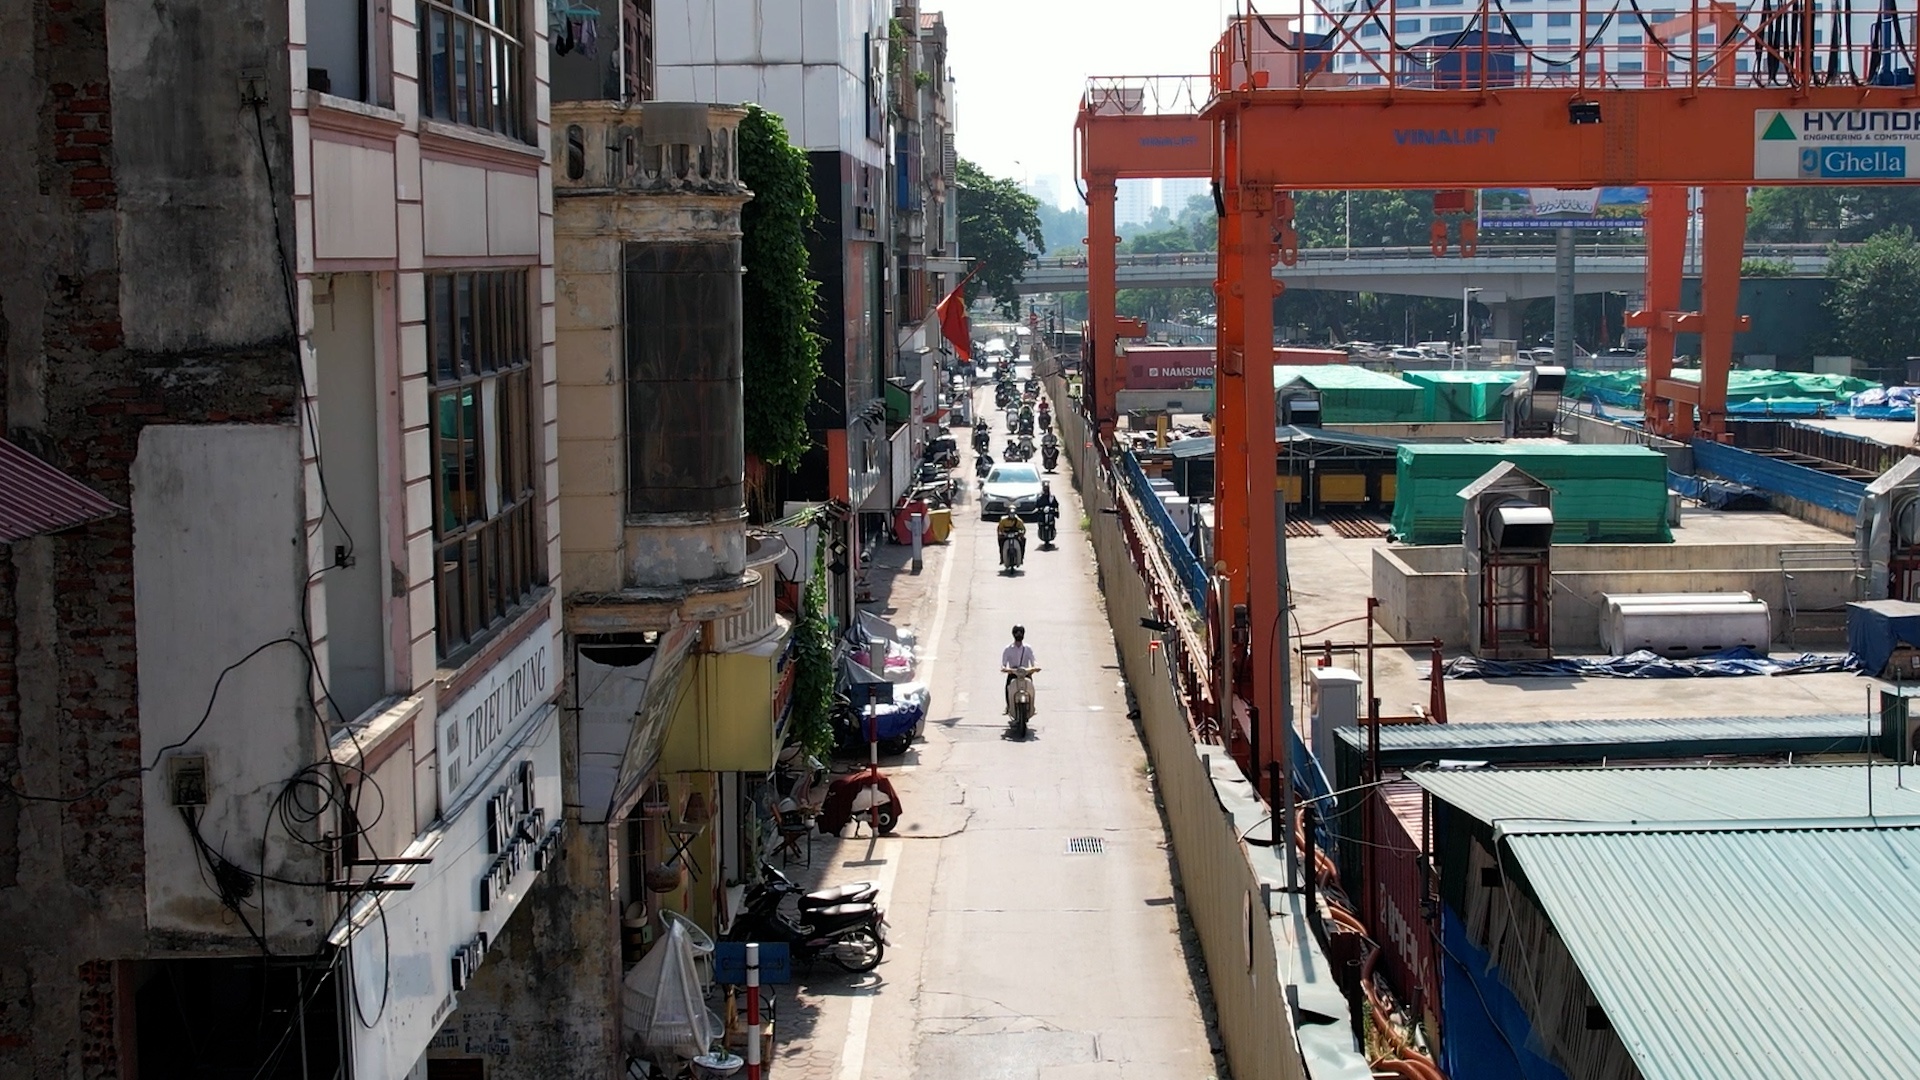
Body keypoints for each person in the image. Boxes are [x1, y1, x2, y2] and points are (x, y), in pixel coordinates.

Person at [1001, 624, 1037, 714]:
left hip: (1025, 672)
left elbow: (1034, 661)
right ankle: (1009, 706)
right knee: (1009, 687)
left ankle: (1032, 706)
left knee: (1030, 688)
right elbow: (1003, 664)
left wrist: (1035, 668)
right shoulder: (1008, 649)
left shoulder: (1027, 648)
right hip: (1013, 673)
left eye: (1021, 632)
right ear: (1013, 634)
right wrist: (1005, 669)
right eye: (1017, 633)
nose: (1019, 634)